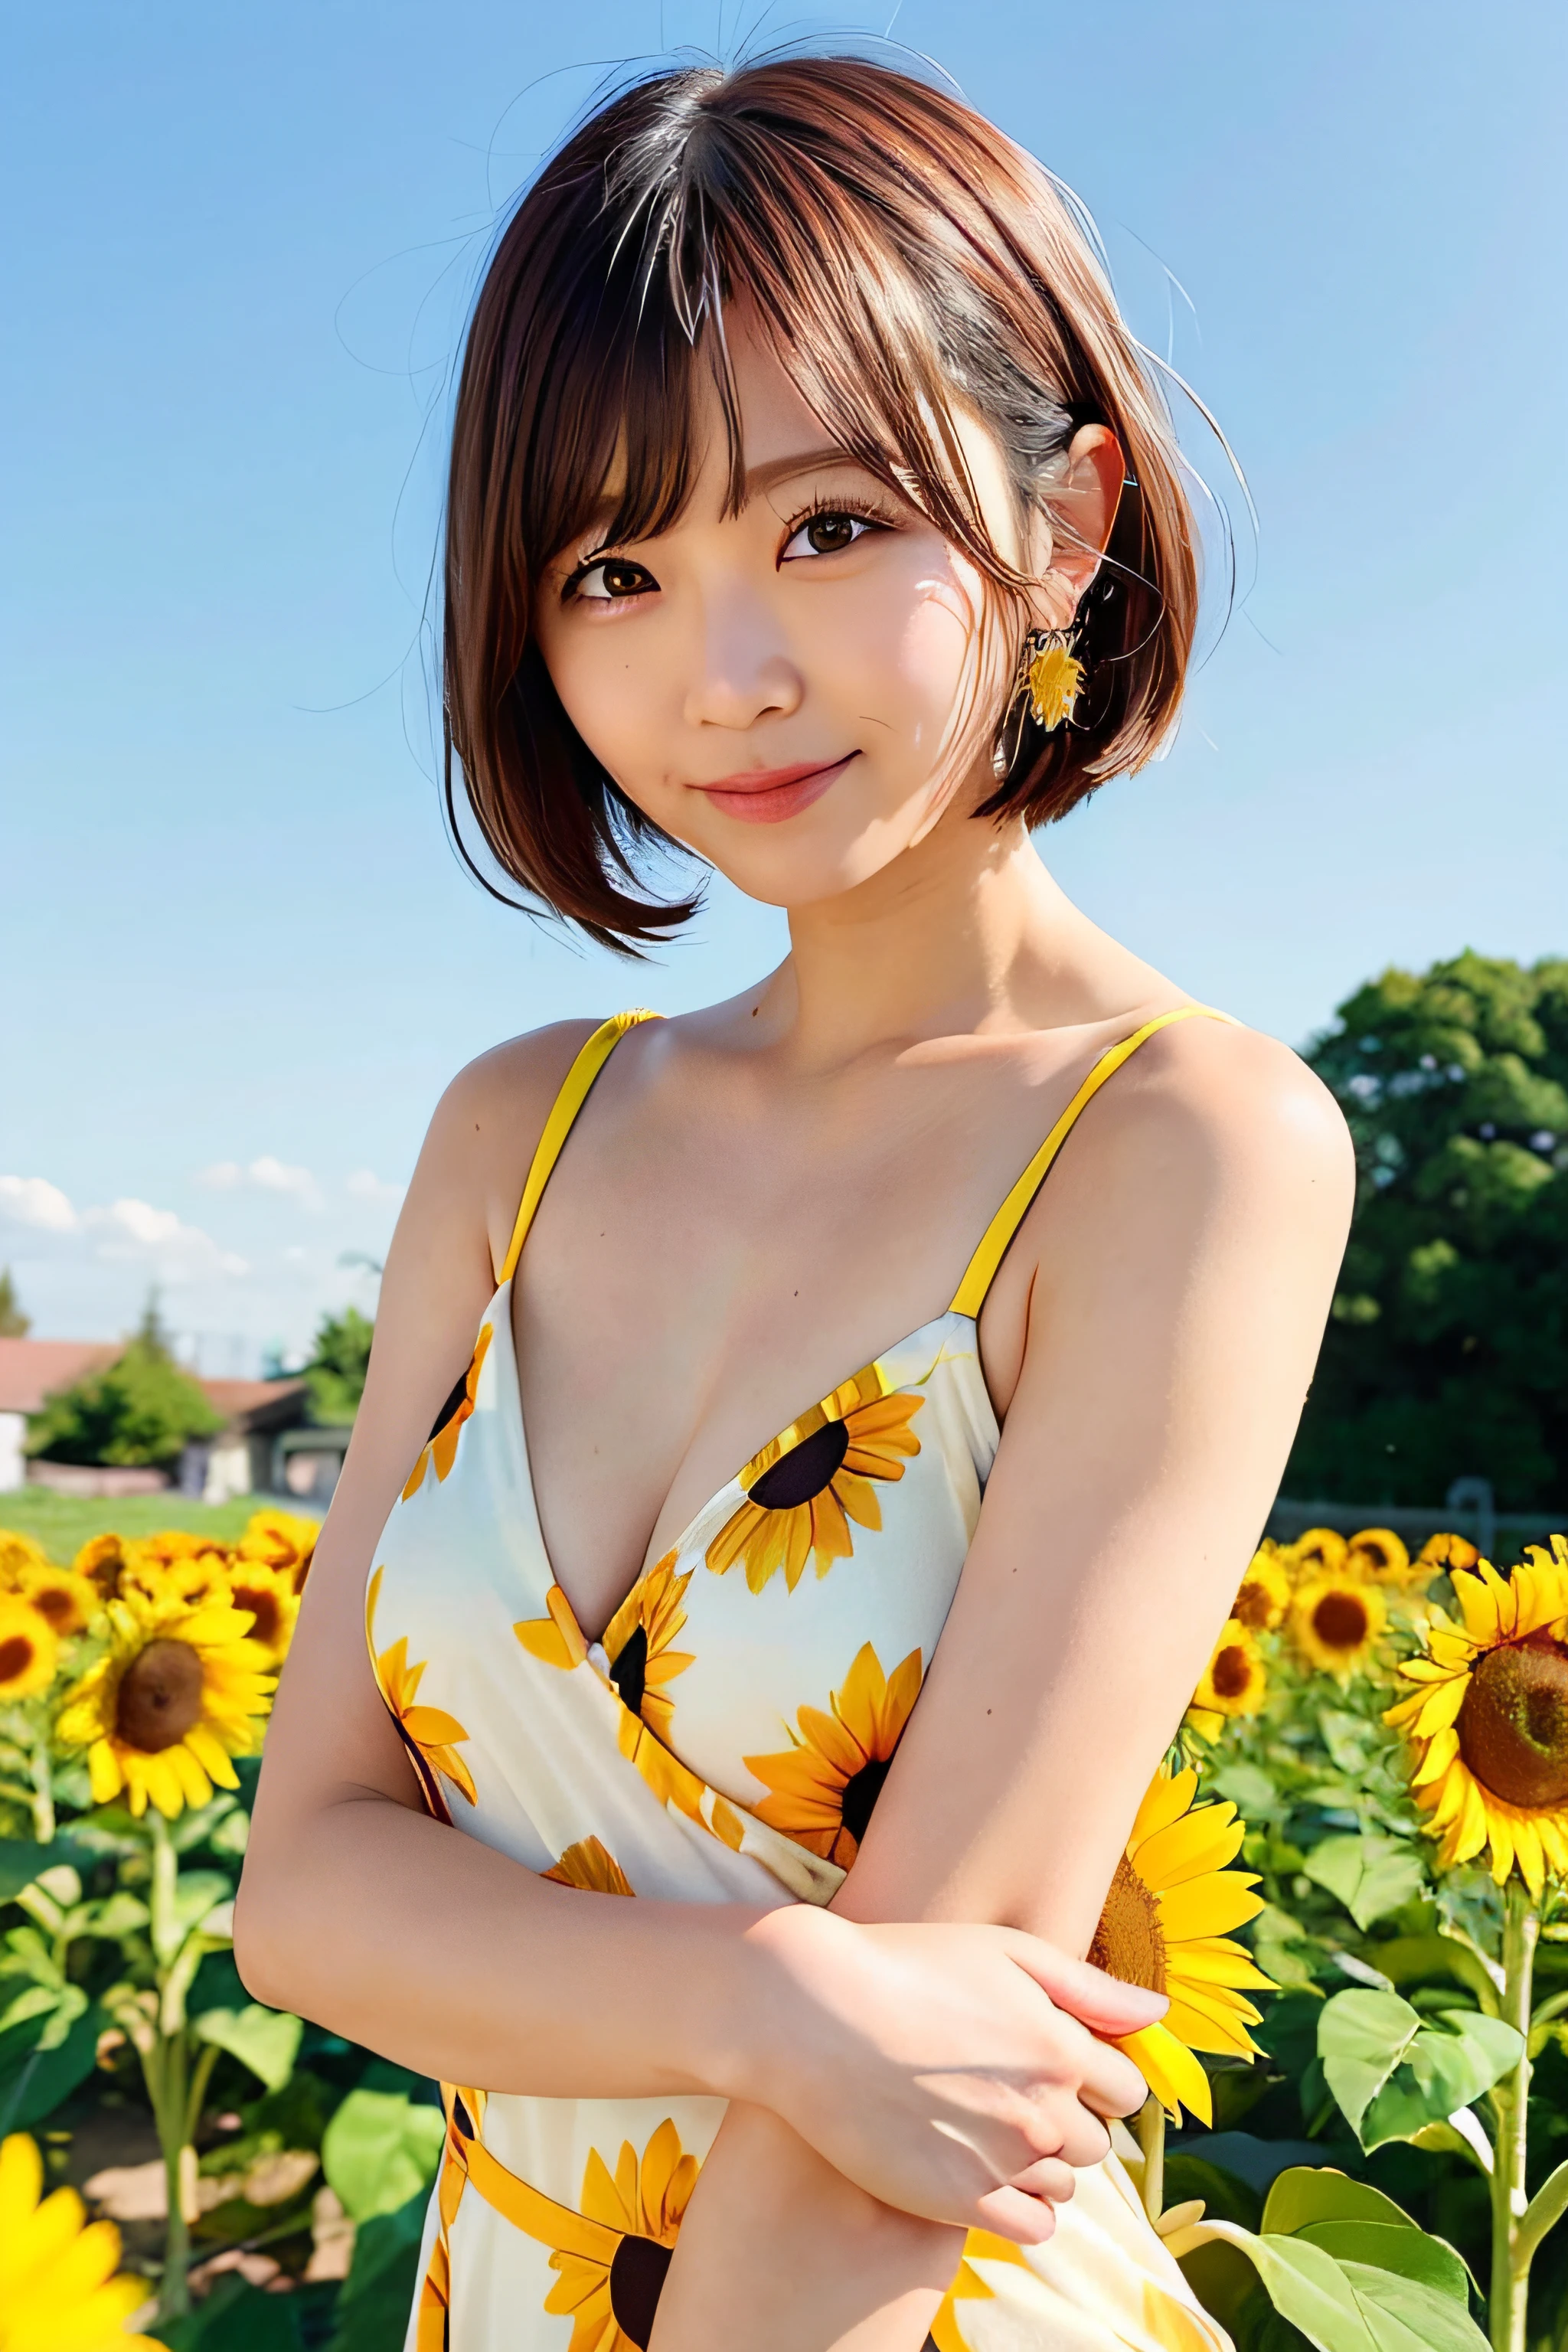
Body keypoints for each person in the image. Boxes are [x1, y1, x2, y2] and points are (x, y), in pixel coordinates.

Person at [236, 53, 1352, 2352]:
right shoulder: (514, 1132)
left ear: (1066, 527)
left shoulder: (1180, 1151)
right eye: (614, 570)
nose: (719, 677)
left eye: (829, 529)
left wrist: (814, 2046)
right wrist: (773, 2002)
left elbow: (900, 2149)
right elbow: (305, 1898)